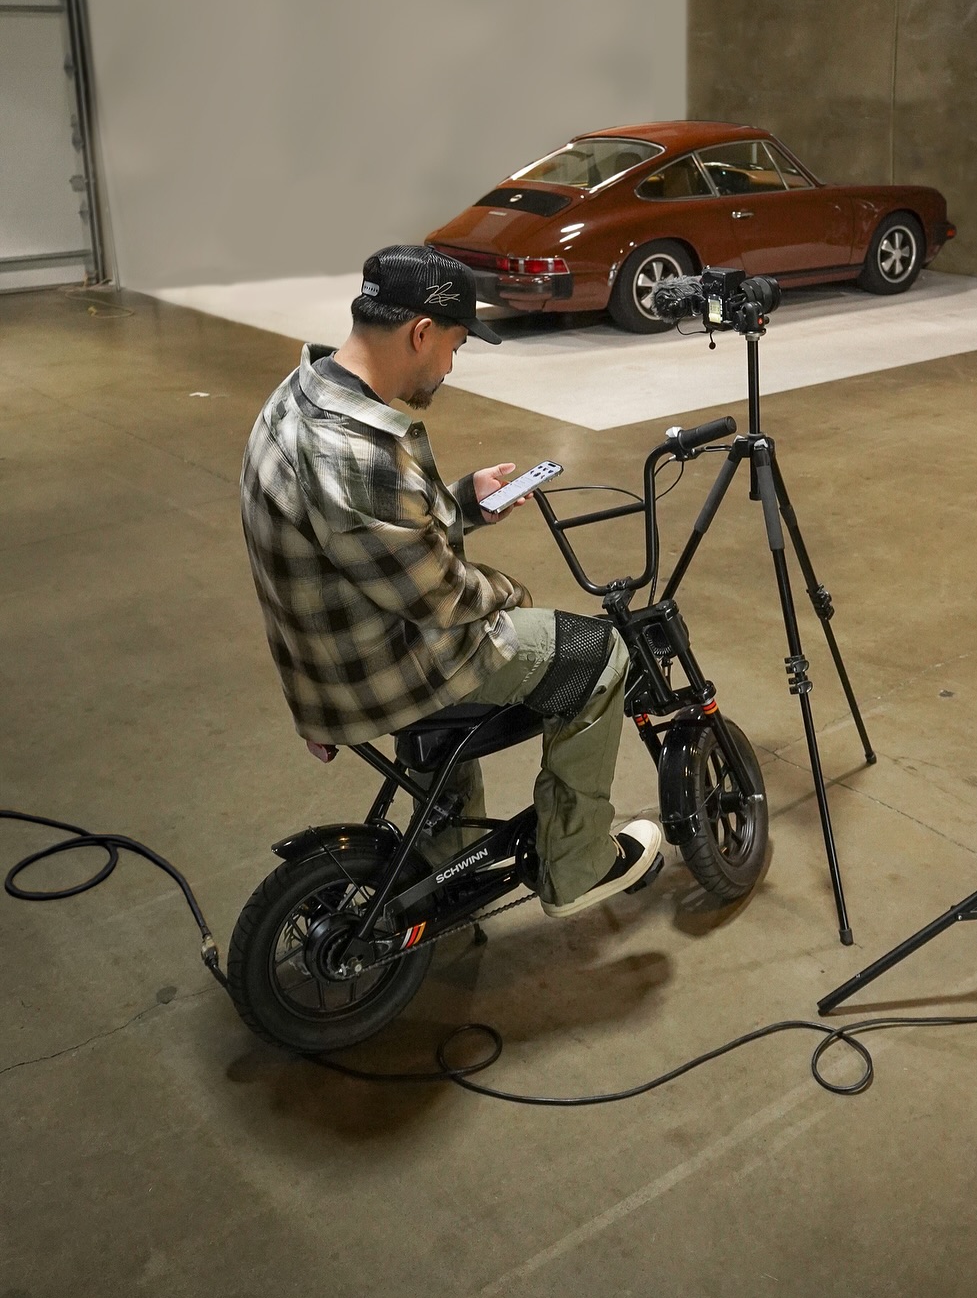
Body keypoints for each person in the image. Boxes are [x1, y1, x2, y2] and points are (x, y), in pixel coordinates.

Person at [239, 243, 661, 918]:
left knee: (493, 647)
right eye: (455, 345)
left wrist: (462, 500)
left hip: (326, 661)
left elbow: (364, 535)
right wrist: (514, 596)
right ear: (420, 332)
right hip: (378, 672)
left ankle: (447, 870)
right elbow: (443, 596)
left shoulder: (299, 395)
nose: (451, 366)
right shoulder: (354, 451)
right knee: (596, 652)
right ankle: (578, 864)